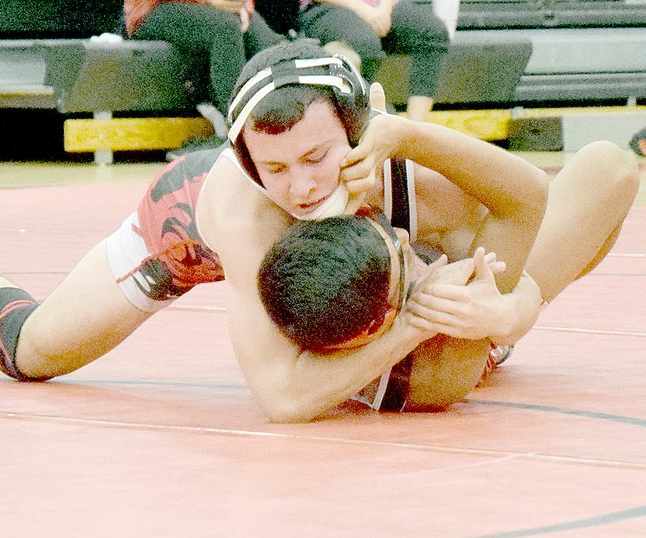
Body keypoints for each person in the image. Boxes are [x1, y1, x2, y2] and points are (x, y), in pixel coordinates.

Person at [0, 41, 587, 423]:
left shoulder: (389, 157)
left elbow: (526, 201)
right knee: (34, 351)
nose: (300, 186)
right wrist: (424, 322)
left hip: (382, 169)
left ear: (362, 132)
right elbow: (282, 397)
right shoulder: (243, 213)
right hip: (184, 234)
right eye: (274, 166)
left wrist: (499, 304)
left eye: (317, 159)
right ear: (245, 159)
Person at [258, 126, 640, 408]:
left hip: (406, 319)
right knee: (610, 168)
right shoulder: (440, 355)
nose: (407, 242)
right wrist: (403, 135)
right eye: (407, 270)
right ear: (389, 319)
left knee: (452, 235)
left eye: (394, 239)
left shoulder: (303, 239)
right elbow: (525, 197)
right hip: (464, 337)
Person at [124, 0, 285, 150]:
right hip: (152, 9)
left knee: (269, 43)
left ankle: (285, 124)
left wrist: (243, 6)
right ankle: (240, 131)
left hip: (214, 6)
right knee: (225, 28)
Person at [256, 0, 451, 121]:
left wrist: (383, 7)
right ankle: (353, 122)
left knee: (433, 31)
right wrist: (363, 9)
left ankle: (415, 127)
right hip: (326, 7)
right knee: (364, 44)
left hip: (379, 5)